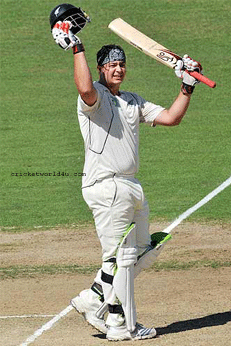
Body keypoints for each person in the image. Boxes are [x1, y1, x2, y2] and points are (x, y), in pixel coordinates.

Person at [52, 21, 202, 341]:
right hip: (106, 186)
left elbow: (171, 118)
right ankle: (120, 325)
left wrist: (187, 85)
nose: (118, 69)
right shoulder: (95, 99)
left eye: (122, 64)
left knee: (143, 253)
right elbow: (84, 89)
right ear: (100, 69)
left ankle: (92, 298)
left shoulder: (133, 101)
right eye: (111, 65)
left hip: (131, 186)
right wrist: (76, 47)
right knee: (121, 257)